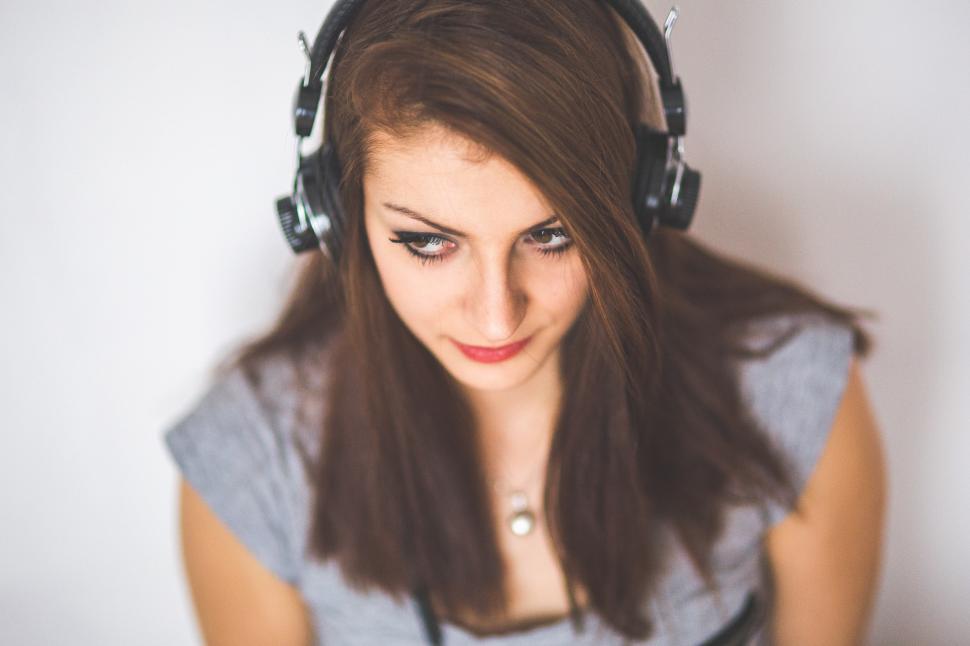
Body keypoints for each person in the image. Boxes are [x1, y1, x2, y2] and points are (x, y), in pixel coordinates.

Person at [163, 1, 886, 644]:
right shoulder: (250, 464)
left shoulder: (792, 391)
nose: (495, 311)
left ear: (637, 201)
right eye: (428, 243)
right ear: (336, 217)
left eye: (553, 234)